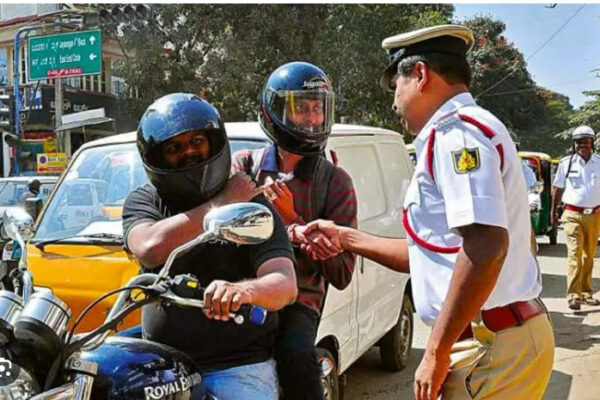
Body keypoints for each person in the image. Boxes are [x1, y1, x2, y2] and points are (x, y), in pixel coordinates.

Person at [303, 25, 554, 400]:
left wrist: (434, 351)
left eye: (396, 87)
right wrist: (345, 238)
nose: (394, 103)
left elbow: (485, 245)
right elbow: (435, 255)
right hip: (491, 341)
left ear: (419, 75)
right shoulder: (459, 132)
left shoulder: (459, 136)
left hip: (489, 345)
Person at [122, 93, 298, 400]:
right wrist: (222, 202)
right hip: (162, 366)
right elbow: (149, 248)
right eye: (174, 147)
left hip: (236, 367)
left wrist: (243, 292)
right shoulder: (145, 201)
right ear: (157, 157)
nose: (189, 152)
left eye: (198, 141)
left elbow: (284, 282)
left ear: (214, 143)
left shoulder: (252, 205)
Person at [231, 61, 357, 400]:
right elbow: (220, 226)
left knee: (297, 358)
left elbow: (343, 274)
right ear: (275, 110)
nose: (313, 119)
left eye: (318, 109)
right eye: (302, 108)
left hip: (299, 299)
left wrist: (291, 220)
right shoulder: (243, 167)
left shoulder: (335, 183)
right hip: (242, 290)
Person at [551, 125, 600, 310]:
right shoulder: (566, 163)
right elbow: (557, 188)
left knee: (589, 256)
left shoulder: (599, 162)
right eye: (579, 142)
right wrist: (553, 212)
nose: (583, 145)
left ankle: (586, 293)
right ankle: (573, 296)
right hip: (572, 214)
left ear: (592, 143)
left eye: (586, 141)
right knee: (574, 254)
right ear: (574, 144)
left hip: (595, 215)